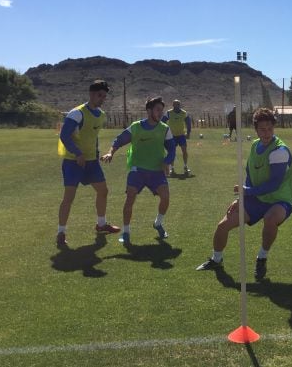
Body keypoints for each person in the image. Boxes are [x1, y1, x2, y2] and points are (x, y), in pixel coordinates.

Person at [197, 108, 292, 281]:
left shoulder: (280, 151)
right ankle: (216, 259)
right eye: (262, 129)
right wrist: (241, 198)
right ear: (256, 130)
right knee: (222, 226)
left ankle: (262, 258)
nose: (267, 133)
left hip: (279, 199)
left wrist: (247, 191)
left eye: (270, 129)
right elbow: (250, 175)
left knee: (271, 219)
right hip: (256, 198)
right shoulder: (256, 145)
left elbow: (274, 184)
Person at [100, 96, 175, 244]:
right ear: (149, 111)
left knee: (165, 198)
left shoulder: (165, 129)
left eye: (162, 110)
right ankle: (126, 232)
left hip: (156, 172)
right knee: (130, 199)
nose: (161, 113)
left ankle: (158, 223)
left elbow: (172, 150)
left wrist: (166, 162)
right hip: (137, 170)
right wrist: (111, 152)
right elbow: (119, 140)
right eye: (157, 110)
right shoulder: (136, 126)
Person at [56, 79, 120, 247]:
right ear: (91, 94)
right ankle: (61, 233)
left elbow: (93, 136)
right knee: (69, 198)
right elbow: (64, 136)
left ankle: (101, 224)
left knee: (103, 191)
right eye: (100, 95)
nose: (102, 99)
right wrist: (77, 154)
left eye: (104, 96)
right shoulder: (77, 113)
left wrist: (97, 153)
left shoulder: (102, 115)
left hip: (91, 162)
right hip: (73, 162)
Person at [163, 99, 192, 175]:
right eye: (175, 104)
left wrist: (188, 133)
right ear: (173, 105)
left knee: (184, 151)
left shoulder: (184, 113)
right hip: (172, 136)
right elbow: (162, 122)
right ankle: (172, 168)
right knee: (172, 152)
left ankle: (185, 166)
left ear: (180, 105)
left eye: (178, 104)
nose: (177, 106)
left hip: (181, 135)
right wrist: (164, 133)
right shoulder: (168, 113)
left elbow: (188, 123)